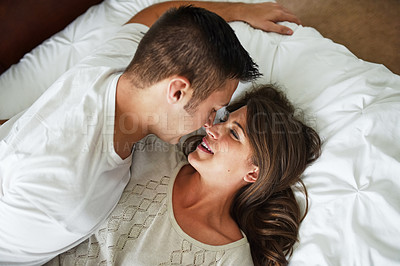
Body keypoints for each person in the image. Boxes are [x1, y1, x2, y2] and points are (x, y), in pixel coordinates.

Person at [0, 1, 301, 265]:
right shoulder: (71, 193)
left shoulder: (120, 66)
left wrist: (240, 10)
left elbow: (157, 15)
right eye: (215, 109)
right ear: (178, 91)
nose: (209, 123)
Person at [47, 85, 321, 266]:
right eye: (224, 120)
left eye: (234, 133)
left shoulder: (228, 259)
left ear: (254, 172)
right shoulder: (159, 147)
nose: (213, 129)